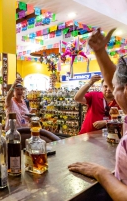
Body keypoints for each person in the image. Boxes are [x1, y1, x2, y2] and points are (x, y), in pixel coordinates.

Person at [68, 28, 127, 200]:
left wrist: (101, 173)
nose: (109, 88)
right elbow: (116, 83)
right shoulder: (99, 95)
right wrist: (100, 52)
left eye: (113, 87)